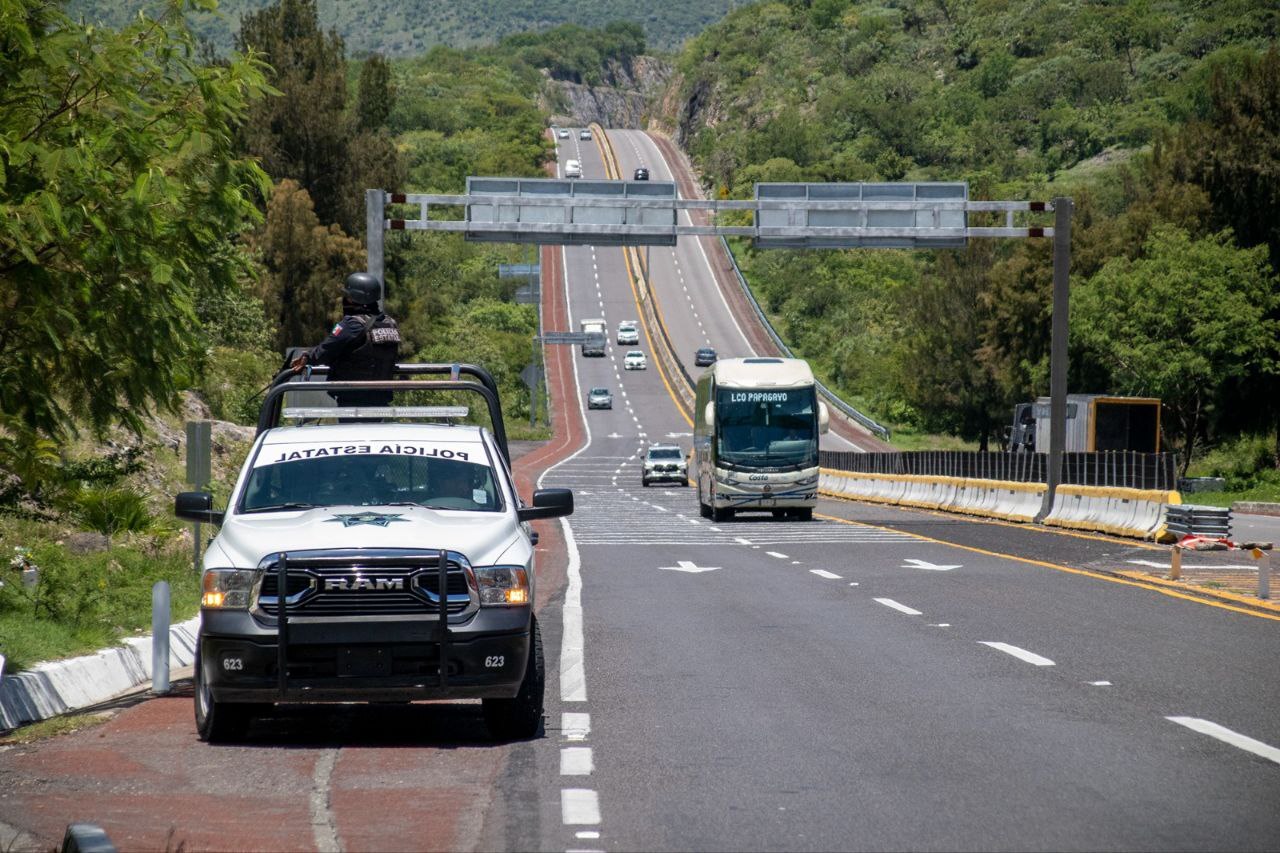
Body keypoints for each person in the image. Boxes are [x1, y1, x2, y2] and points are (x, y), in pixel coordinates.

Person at [291, 272, 401, 408]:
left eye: (347, 296)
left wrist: (307, 357)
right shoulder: (390, 323)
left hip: (353, 399)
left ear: (354, 299)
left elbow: (325, 350)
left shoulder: (352, 324)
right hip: (381, 399)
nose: (345, 300)